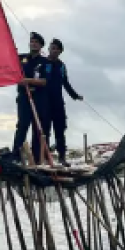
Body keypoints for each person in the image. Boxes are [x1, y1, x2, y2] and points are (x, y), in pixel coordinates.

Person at [44, 38, 84, 166]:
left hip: (58, 102)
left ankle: (62, 157)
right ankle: (46, 158)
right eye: (52, 48)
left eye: (57, 49)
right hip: (44, 102)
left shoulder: (62, 66)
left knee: (60, 130)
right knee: (45, 131)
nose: (54, 51)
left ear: (60, 51)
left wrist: (75, 96)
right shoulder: (43, 63)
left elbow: (65, 83)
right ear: (49, 49)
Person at [11, 32, 50, 163]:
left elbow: (44, 81)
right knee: (22, 125)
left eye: (36, 42)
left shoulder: (45, 62)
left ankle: (37, 158)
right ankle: (16, 156)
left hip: (39, 98)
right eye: (32, 42)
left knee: (37, 127)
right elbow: (11, 68)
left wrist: (28, 81)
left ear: (41, 46)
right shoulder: (21, 58)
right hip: (24, 97)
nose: (33, 44)